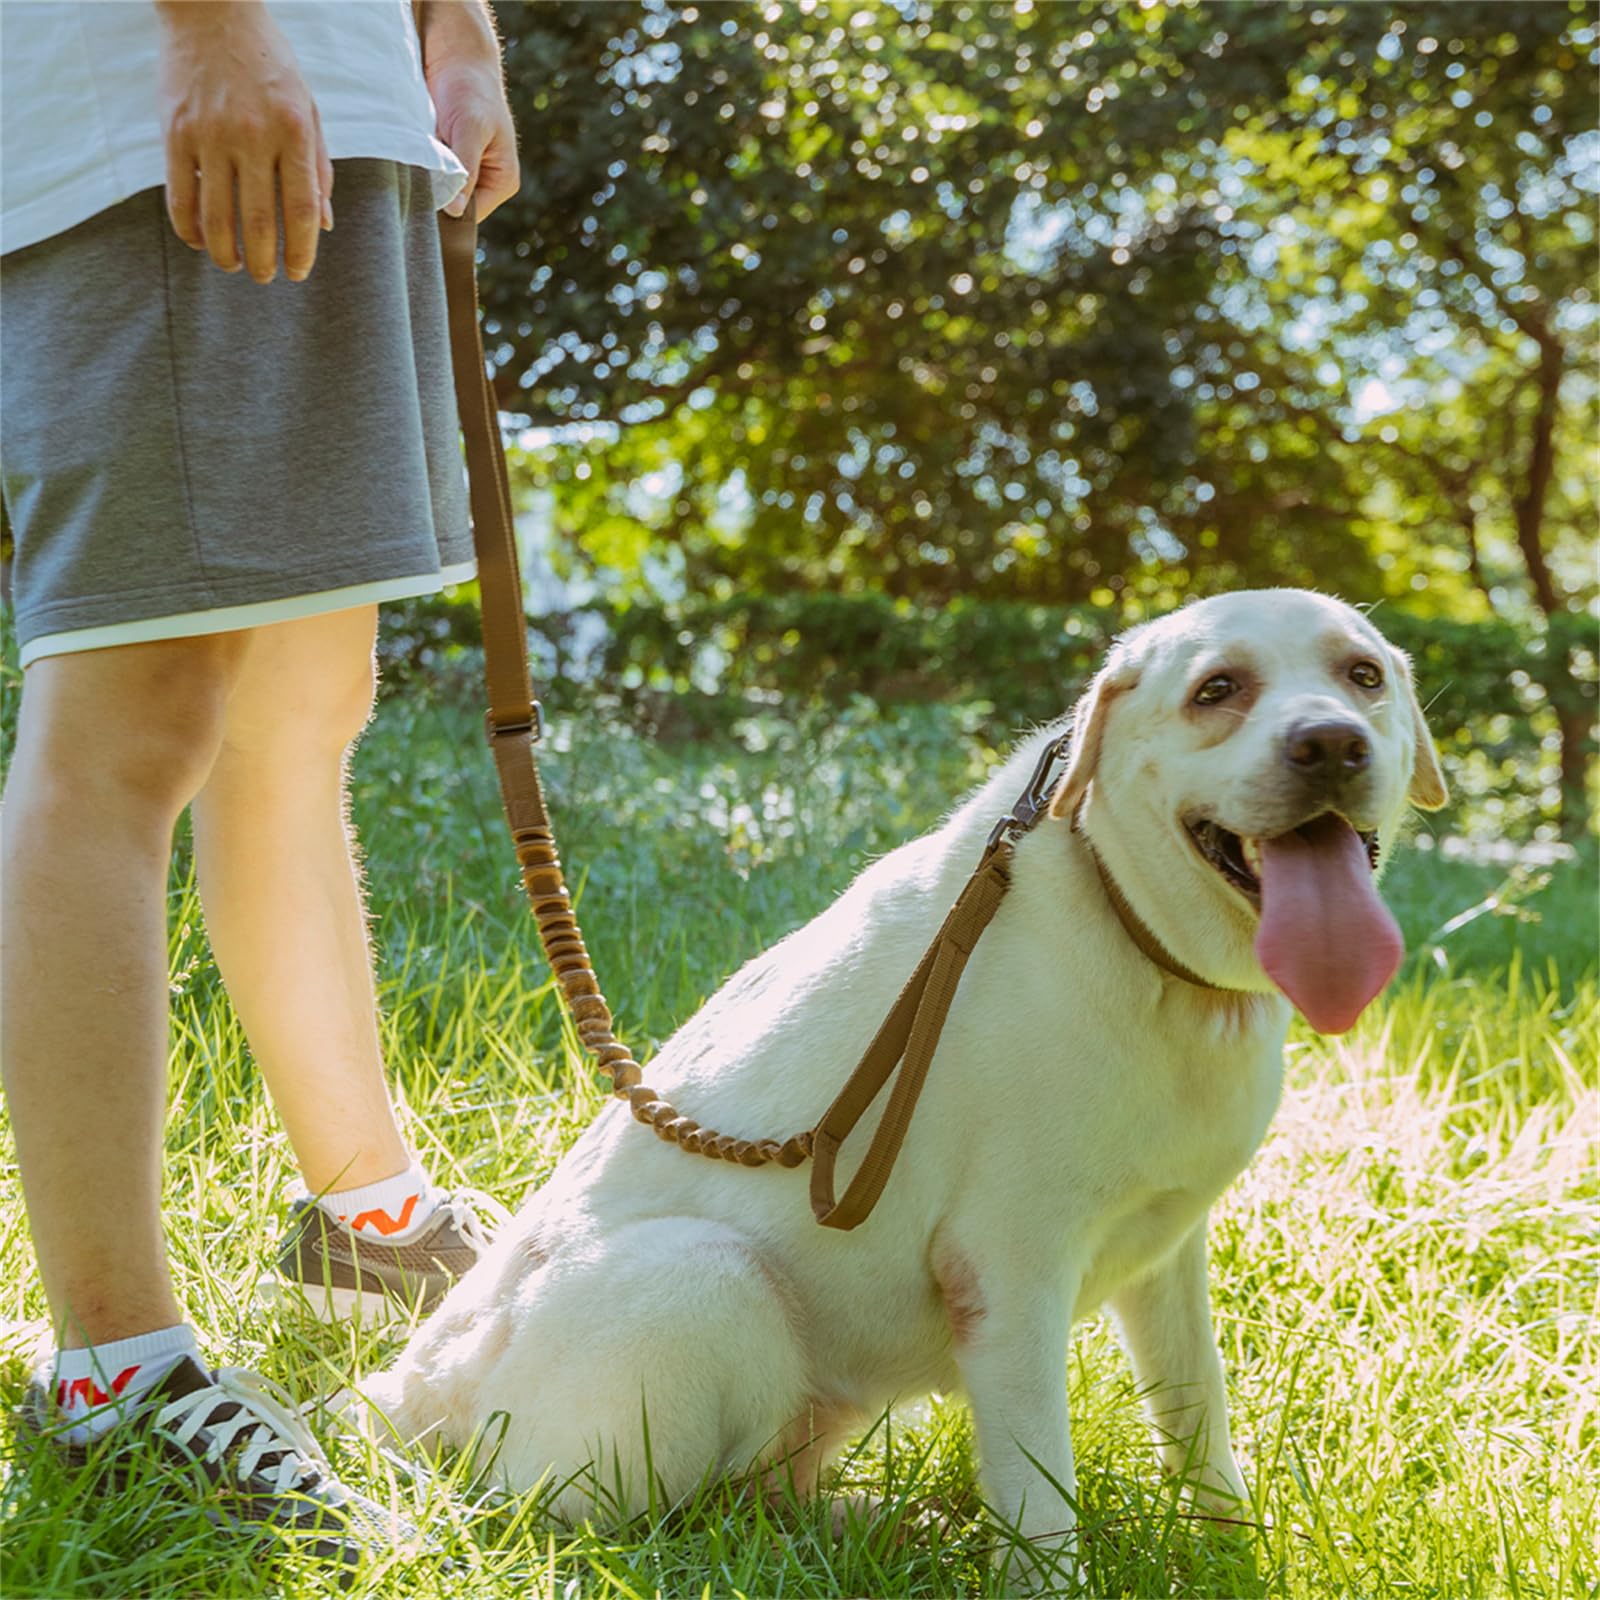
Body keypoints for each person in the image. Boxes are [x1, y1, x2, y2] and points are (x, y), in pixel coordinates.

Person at [0, 0, 519, 1566]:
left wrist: (458, 29)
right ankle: (115, 1364)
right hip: (151, 108)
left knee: (301, 703)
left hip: (340, 106)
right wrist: (213, 27)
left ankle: (369, 1217)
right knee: (128, 724)